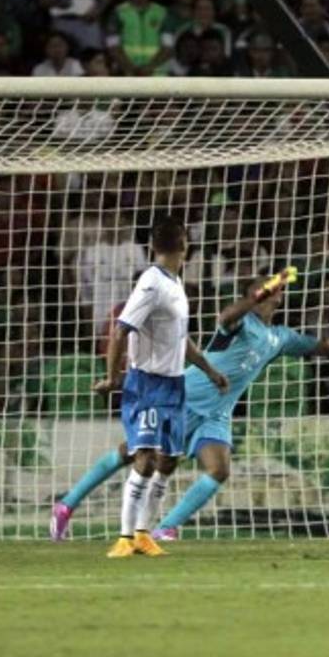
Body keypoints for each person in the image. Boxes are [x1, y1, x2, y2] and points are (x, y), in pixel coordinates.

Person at [52, 270, 329, 541]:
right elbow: (225, 316)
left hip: (218, 411)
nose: (275, 294)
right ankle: (67, 504)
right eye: (267, 289)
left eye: (274, 291)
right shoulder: (239, 324)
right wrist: (254, 296)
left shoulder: (280, 337)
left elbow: (326, 347)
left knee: (218, 469)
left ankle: (166, 528)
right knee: (134, 453)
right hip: (186, 395)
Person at [91, 218, 229, 558]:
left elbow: (180, 340)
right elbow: (122, 329)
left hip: (173, 382)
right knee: (146, 457)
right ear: (184, 244)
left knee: (169, 460)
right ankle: (125, 537)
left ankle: (143, 534)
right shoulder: (151, 283)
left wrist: (209, 370)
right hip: (148, 382)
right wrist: (112, 378)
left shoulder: (175, 283)